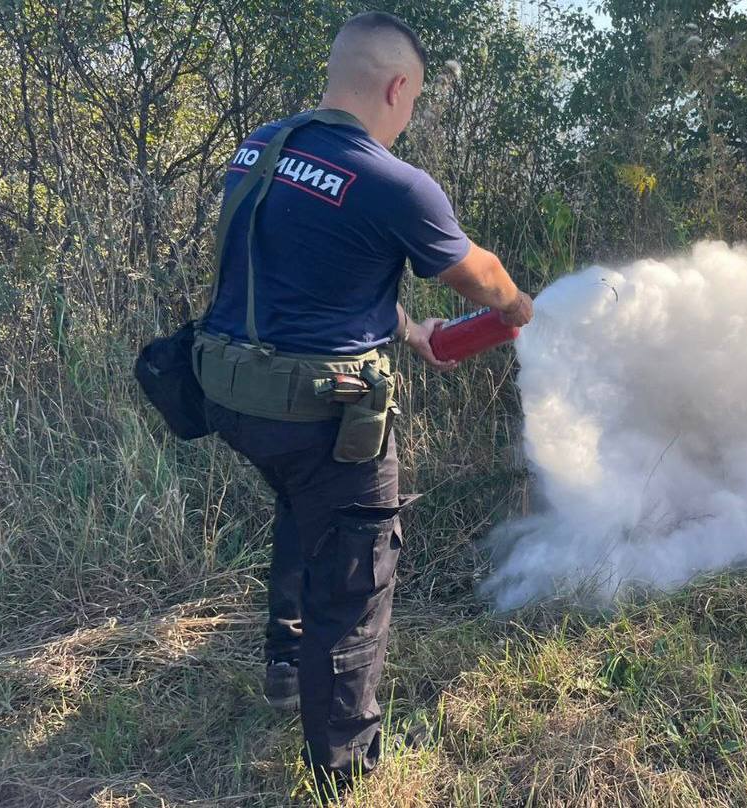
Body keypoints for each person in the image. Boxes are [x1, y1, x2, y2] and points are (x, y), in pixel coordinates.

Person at [195, 11, 532, 796]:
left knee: (298, 503)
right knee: (355, 574)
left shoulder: (262, 147)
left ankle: (285, 659)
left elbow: (317, 274)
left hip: (237, 395)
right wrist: (518, 309)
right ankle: (342, 770)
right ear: (397, 86)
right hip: (323, 411)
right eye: (412, 101)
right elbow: (481, 275)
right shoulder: (391, 181)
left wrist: (411, 333)